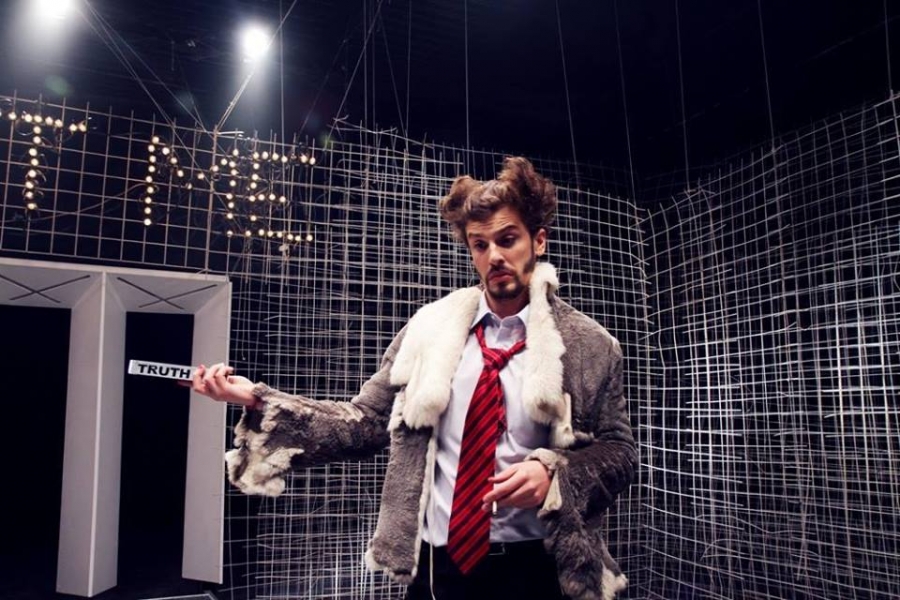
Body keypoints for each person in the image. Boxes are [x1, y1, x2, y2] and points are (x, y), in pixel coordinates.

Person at [191, 157, 637, 600]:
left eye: (507, 240)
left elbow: (620, 452)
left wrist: (554, 473)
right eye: (480, 245)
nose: (495, 256)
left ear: (538, 241)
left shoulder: (589, 345)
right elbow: (365, 421)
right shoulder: (430, 328)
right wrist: (259, 400)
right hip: (439, 566)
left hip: (539, 566)